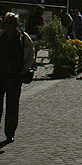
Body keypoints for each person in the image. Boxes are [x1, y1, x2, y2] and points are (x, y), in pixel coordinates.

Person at [0, 12, 34, 144]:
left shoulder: (23, 38)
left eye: (11, 23)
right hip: (1, 75)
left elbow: (30, 53)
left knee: (12, 106)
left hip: (15, 76)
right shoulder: (0, 36)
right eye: (6, 22)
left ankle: (10, 133)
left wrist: (25, 68)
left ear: (16, 25)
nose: (8, 25)